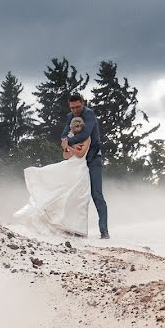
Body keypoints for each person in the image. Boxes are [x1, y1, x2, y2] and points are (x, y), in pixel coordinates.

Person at [14, 116, 91, 236]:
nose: (76, 129)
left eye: (78, 126)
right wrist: (66, 147)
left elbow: (80, 154)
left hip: (80, 170)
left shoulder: (86, 138)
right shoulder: (71, 138)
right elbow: (65, 156)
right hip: (70, 167)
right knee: (60, 192)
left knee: (78, 199)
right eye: (74, 127)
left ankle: (77, 229)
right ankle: (62, 224)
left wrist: (69, 146)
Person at [60, 93, 108, 239]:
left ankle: (104, 230)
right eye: (72, 107)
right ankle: (73, 228)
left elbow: (84, 134)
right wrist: (66, 141)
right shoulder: (70, 116)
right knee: (74, 194)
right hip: (77, 162)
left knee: (96, 194)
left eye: (78, 107)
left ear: (83, 103)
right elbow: (63, 135)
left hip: (93, 158)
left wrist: (68, 142)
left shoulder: (89, 114)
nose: (75, 110)